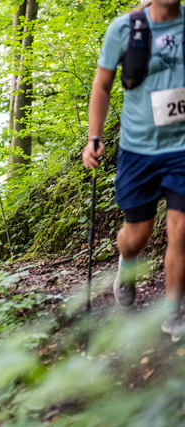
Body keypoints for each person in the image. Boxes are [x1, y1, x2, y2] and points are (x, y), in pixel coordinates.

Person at [83, 0, 185, 341]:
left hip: (181, 151)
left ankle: (172, 313)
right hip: (138, 150)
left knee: (181, 230)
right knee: (136, 236)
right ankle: (126, 261)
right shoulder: (125, 29)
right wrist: (94, 137)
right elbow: (102, 85)